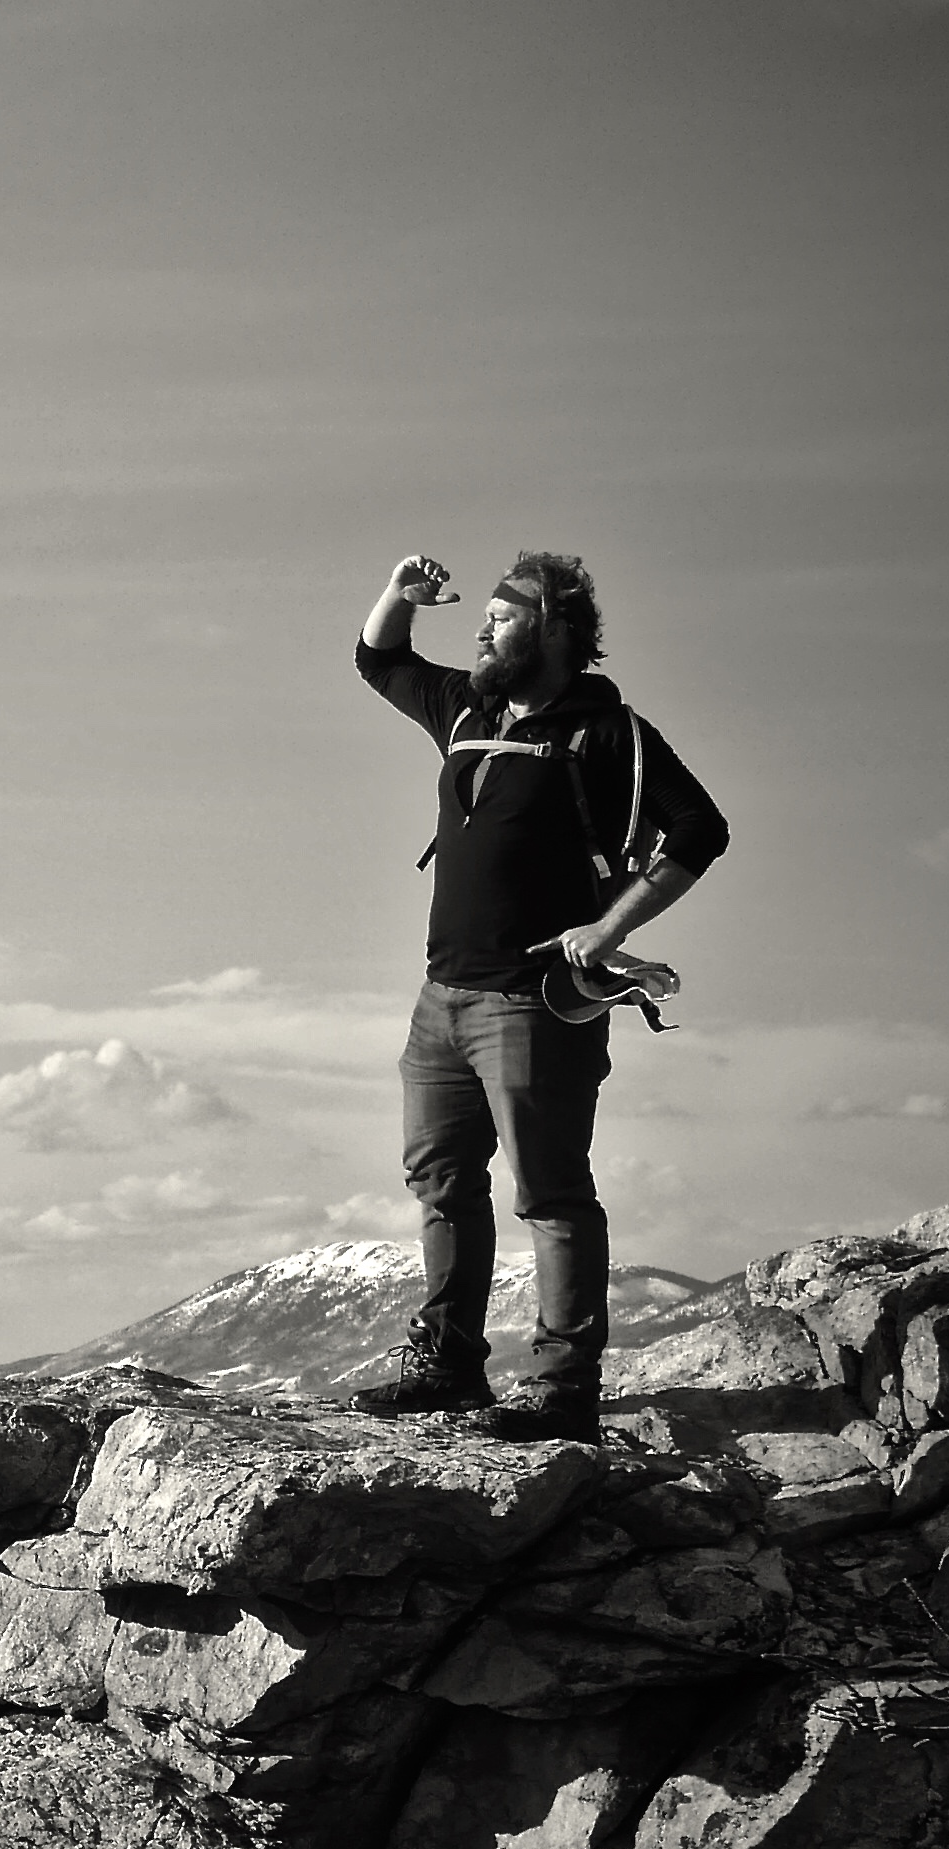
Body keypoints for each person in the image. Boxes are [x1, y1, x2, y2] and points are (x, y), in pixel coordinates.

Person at [342, 549, 729, 1441]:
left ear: (555, 630)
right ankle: (446, 1367)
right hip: (441, 997)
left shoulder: (609, 732)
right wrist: (399, 596)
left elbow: (702, 829)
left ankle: (562, 1391)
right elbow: (380, 662)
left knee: (550, 1193)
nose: (482, 627)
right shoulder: (470, 710)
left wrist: (610, 930)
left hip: (535, 1003)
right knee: (441, 1182)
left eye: (503, 616)